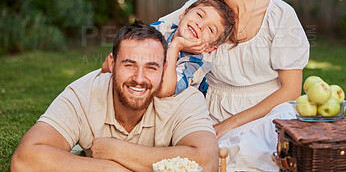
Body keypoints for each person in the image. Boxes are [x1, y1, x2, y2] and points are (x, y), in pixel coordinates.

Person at [159, 0, 310, 171]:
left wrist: (229, 124)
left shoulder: (279, 14)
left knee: (255, 157)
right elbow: (152, 34)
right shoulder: (196, 11)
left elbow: (291, 90)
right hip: (209, 110)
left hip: (267, 113)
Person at [10, 21, 219, 172]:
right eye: (129, 65)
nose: (139, 78)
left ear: (165, 69)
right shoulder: (84, 92)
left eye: (151, 67)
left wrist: (117, 150)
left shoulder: (185, 98)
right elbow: (24, 160)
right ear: (111, 63)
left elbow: (207, 161)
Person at [102, 0, 237, 98]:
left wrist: (175, 46)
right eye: (199, 15)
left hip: (174, 108)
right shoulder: (162, 28)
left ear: (210, 48)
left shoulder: (198, 62)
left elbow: (163, 90)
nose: (200, 25)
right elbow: (110, 64)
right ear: (183, 14)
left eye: (210, 29)